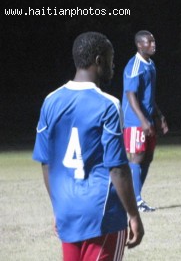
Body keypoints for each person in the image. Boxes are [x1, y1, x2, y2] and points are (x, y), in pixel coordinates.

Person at [32, 31, 144, 261]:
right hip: (101, 215)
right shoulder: (108, 105)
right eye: (111, 59)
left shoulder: (50, 102)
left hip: (67, 210)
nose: (114, 65)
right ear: (99, 61)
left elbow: (46, 163)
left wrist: (59, 206)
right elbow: (118, 168)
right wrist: (133, 215)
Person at [122, 30, 168, 212]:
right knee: (137, 156)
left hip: (147, 119)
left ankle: (136, 197)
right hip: (135, 120)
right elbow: (131, 95)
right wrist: (142, 120)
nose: (153, 44)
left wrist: (158, 116)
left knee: (147, 157)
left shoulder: (150, 65)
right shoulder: (134, 66)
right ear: (140, 45)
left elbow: (148, 96)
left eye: (154, 41)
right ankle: (135, 201)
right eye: (149, 42)